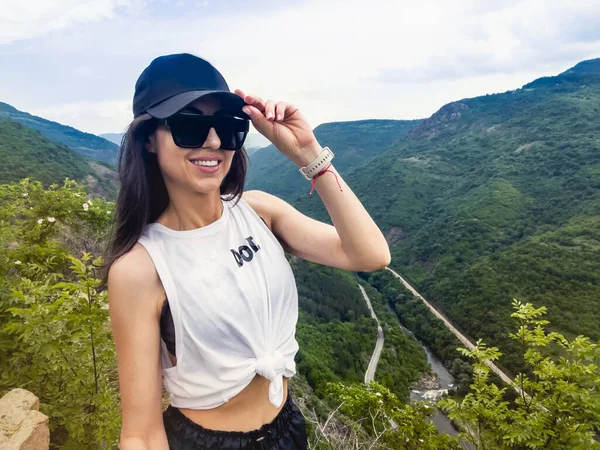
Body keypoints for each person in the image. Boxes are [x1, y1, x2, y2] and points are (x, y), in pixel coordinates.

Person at [103, 53, 391, 450]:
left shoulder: (259, 211)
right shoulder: (141, 268)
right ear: (148, 139)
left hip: (289, 427)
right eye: (190, 125)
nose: (215, 141)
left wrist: (308, 154)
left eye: (228, 126)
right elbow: (141, 432)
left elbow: (371, 255)